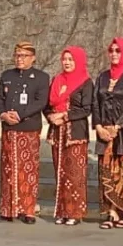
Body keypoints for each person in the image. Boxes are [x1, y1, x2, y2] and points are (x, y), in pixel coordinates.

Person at [0, 41, 49, 224]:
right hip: (9, 129)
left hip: (28, 128)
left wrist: (20, 114)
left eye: (24, 56)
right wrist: (3, 114)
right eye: (17, 55)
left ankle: (28, 210)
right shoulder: (7, 75)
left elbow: (40, 101)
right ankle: (8, 209)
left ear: (33, 58)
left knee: (28, 170)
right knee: (8, 169)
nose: (20, 59)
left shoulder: (41, 77)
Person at [93, 37, 123, 229]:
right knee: (106, 170)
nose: (114, 54)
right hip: (104, 132)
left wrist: (118, 126)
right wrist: (99, 127)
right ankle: (111, 212)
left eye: (118, 50)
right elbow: (95, 103)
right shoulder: (102, 77)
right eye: (111, 50)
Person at [46, 46, 93, 226]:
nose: (66, 62)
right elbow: (47, 105)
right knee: (60, 173)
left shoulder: (85, 82)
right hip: (57, 132)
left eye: (70, 59)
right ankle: (62, 211)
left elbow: (86, 109)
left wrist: (65, 116)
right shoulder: (57, 80)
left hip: (75, 134)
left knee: (74, 174)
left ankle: (75, 212)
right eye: (64, 59)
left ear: (78, 61)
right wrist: (51, 117)